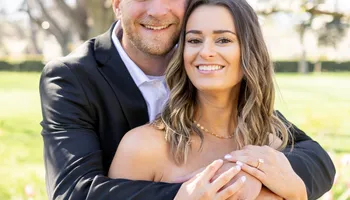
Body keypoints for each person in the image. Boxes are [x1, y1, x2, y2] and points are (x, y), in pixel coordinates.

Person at [39, 0, 335, 199]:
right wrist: (188, 192)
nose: (157, 10)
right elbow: (73, 192)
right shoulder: (71, 78)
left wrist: (269, 182)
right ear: (117, 3)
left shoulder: (209, 72)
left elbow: (313, 154)